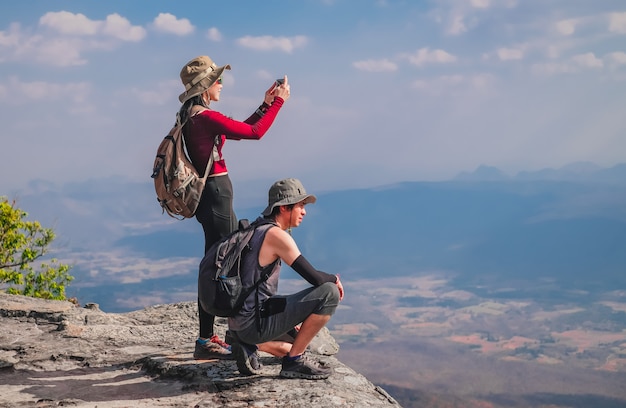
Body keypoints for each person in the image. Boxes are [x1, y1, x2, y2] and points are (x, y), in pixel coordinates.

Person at [176, 55, 291, 360]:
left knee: (215, 264)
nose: (222, 85)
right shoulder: (204, 117)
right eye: (218, 80)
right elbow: (254, 133)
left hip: (210, 198)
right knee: (226, 266)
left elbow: (240, 129)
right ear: (205, 87)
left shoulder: (192, 116)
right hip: (215, 197)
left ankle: (209, 337)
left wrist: (265, 105)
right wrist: (279, 103)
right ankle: (231, 336)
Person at [228, 178, 345, 380]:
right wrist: (334, 278)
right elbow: (316, 279)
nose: (304, 211)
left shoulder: (255, 229)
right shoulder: (276, 236)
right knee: (329, 293)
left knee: (296, 338)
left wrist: (289, 322)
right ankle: (294, 361)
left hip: (239, 322)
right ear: (283, 208)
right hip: (254, 323)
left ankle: (251, 345)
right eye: (300, 205)